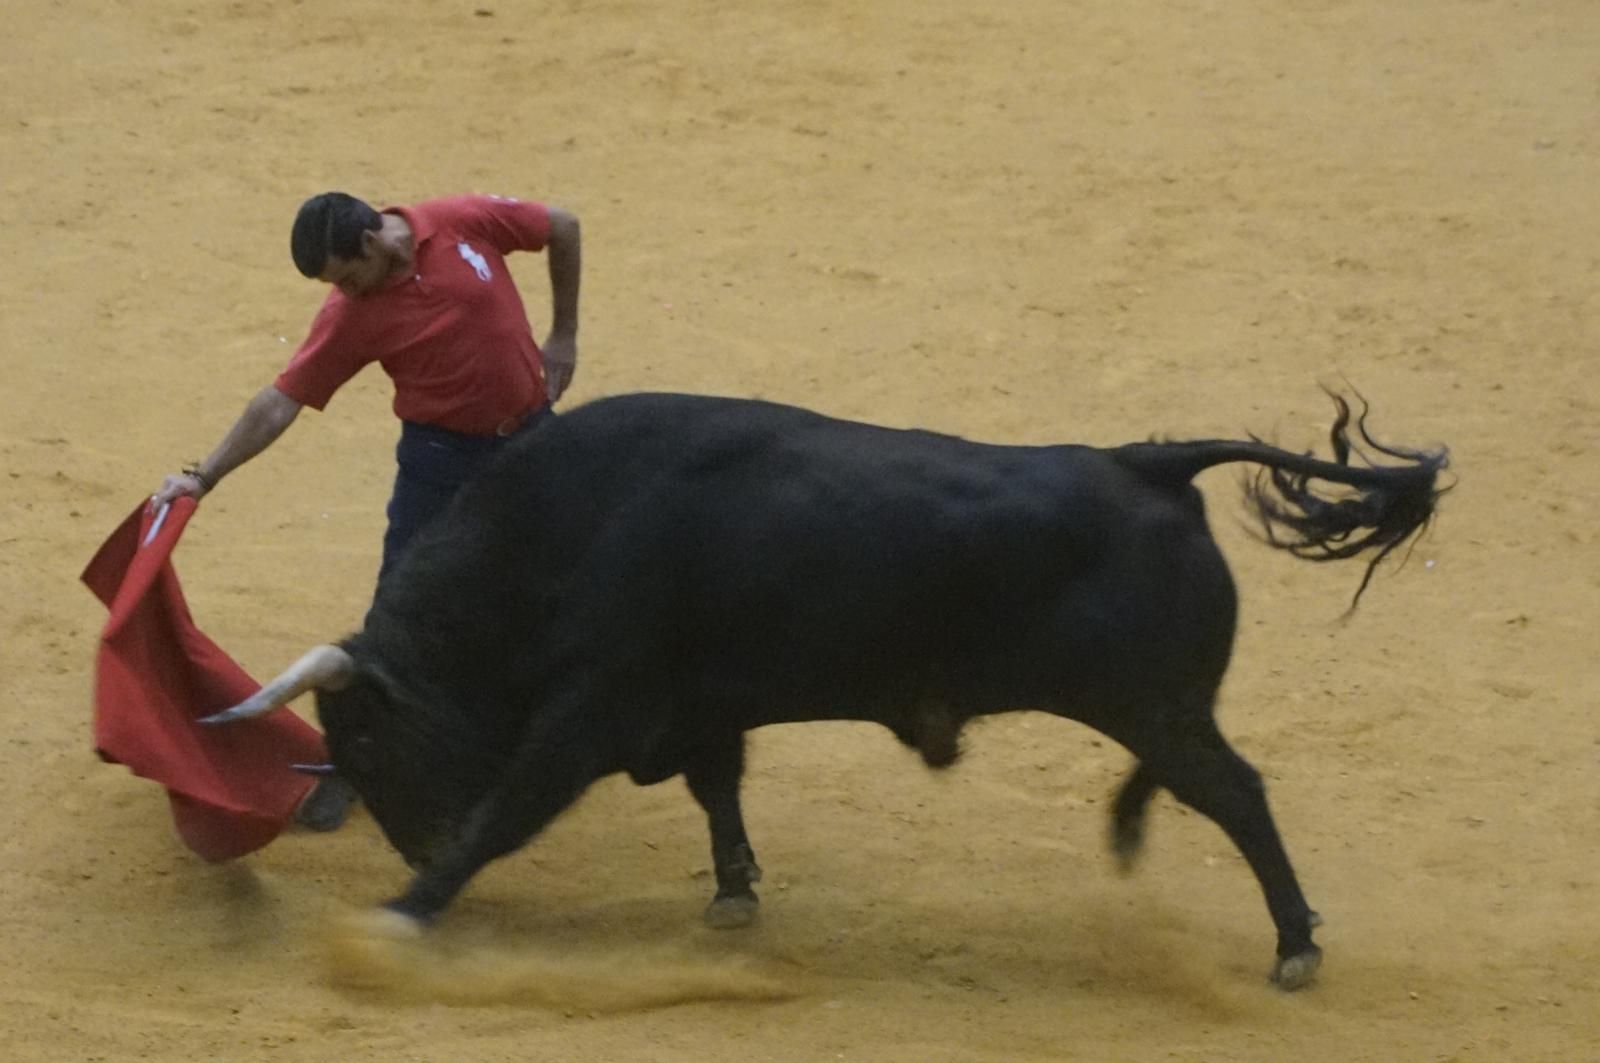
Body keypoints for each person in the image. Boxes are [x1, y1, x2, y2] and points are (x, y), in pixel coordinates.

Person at [150, 190, 582, 829]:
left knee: (557, 595)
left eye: (348, 276)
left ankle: (523, 742)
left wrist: (563, 333)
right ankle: (356, 765)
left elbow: (563, 227)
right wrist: (203, 476)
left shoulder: (460, 220)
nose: (344, 293)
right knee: (395, 619)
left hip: (533, 445)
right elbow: (281, 400)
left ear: (375, 240)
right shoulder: (351, 314)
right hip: (440, 462)